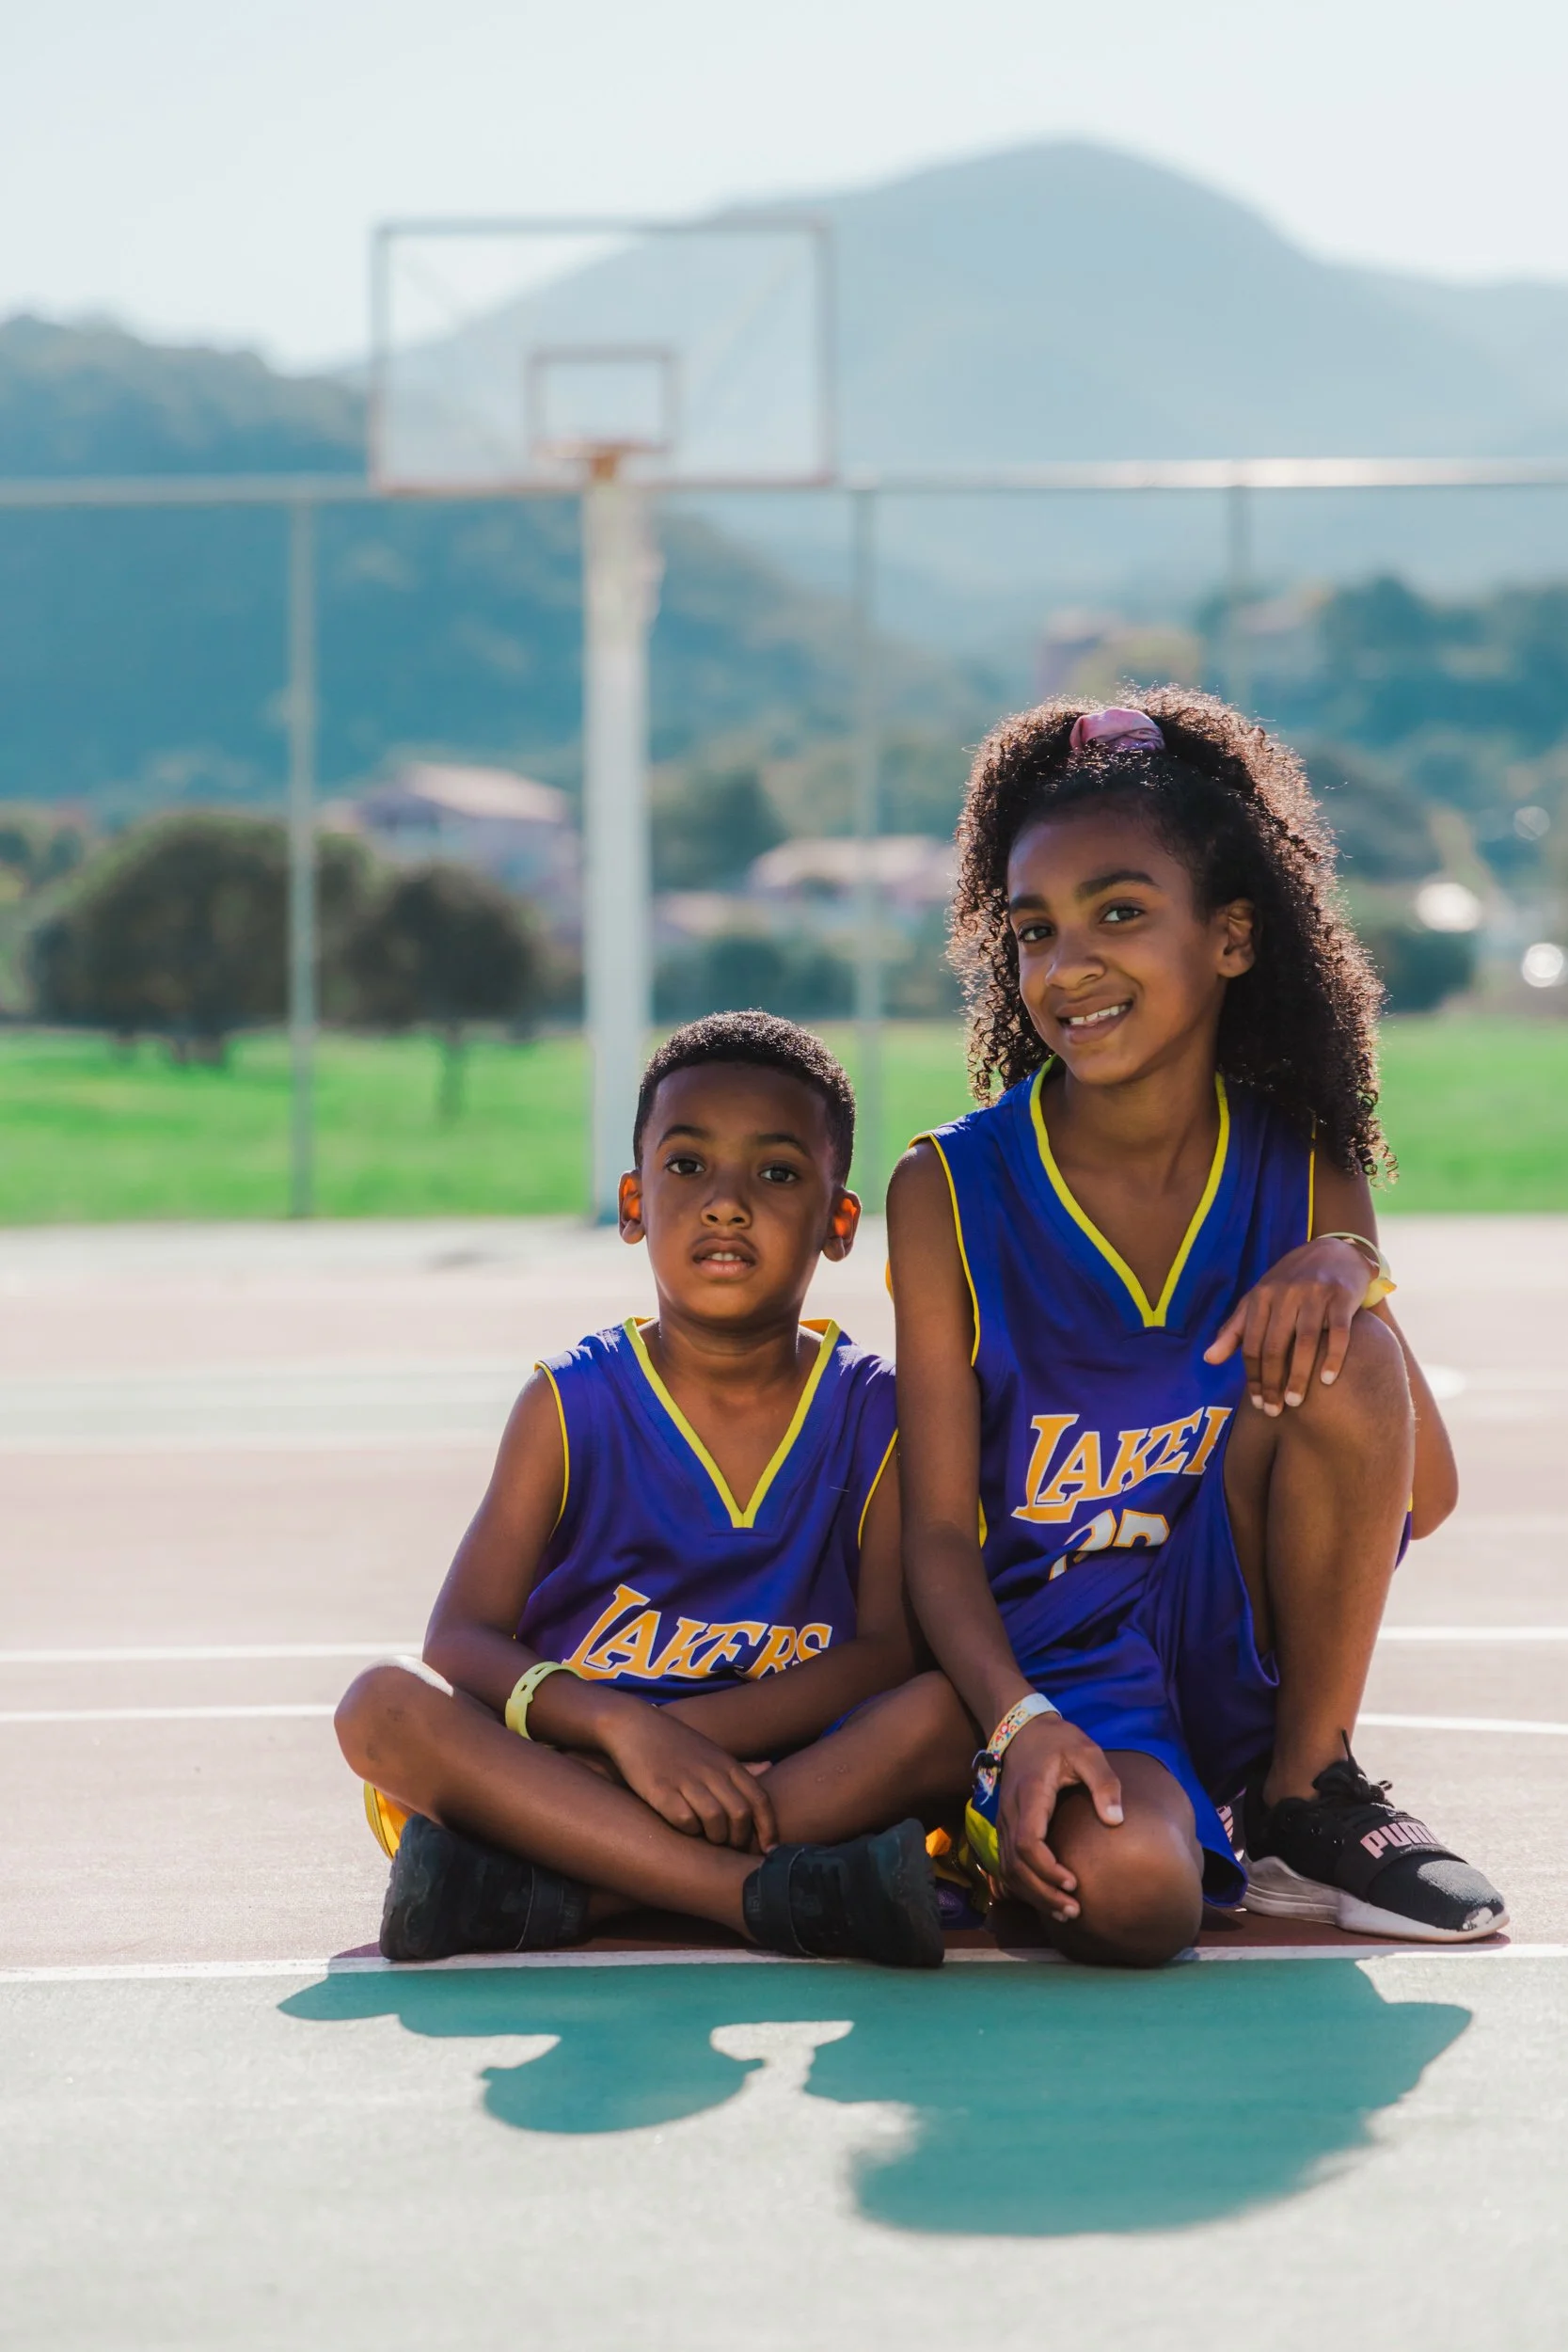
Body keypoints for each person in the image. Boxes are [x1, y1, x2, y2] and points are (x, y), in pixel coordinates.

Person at [886, 693, 1506, 1967]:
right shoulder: (945, 1191)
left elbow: (1419, 1494)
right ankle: (984, 1819)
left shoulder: (1300, 1165)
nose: (1067, 966)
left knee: (1349, 1337)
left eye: (1119, 913)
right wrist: (1010, 1721)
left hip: (1236, 1643)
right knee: (1134, 1904)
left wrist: (1349, 1270)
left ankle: (1300, 1795)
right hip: (1056, 1669)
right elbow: (937, 1536)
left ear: (1228, 937)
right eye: (1031, 930)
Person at [336, 1011, 950, 1969]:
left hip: (768, 1769)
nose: (725, 1204)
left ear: (839, 1224)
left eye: (777, 1173)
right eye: (687, 1167)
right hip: (570, 1763)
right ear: (633, 1203)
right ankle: (765, 1899)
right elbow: (457, 1639)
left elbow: (885, 1651)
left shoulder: (881, 1414)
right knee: (379, 1706)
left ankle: (541, 1895)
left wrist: (683, 1746)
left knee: (942, 1717)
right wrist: (621, 1730)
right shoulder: (567, 1404)